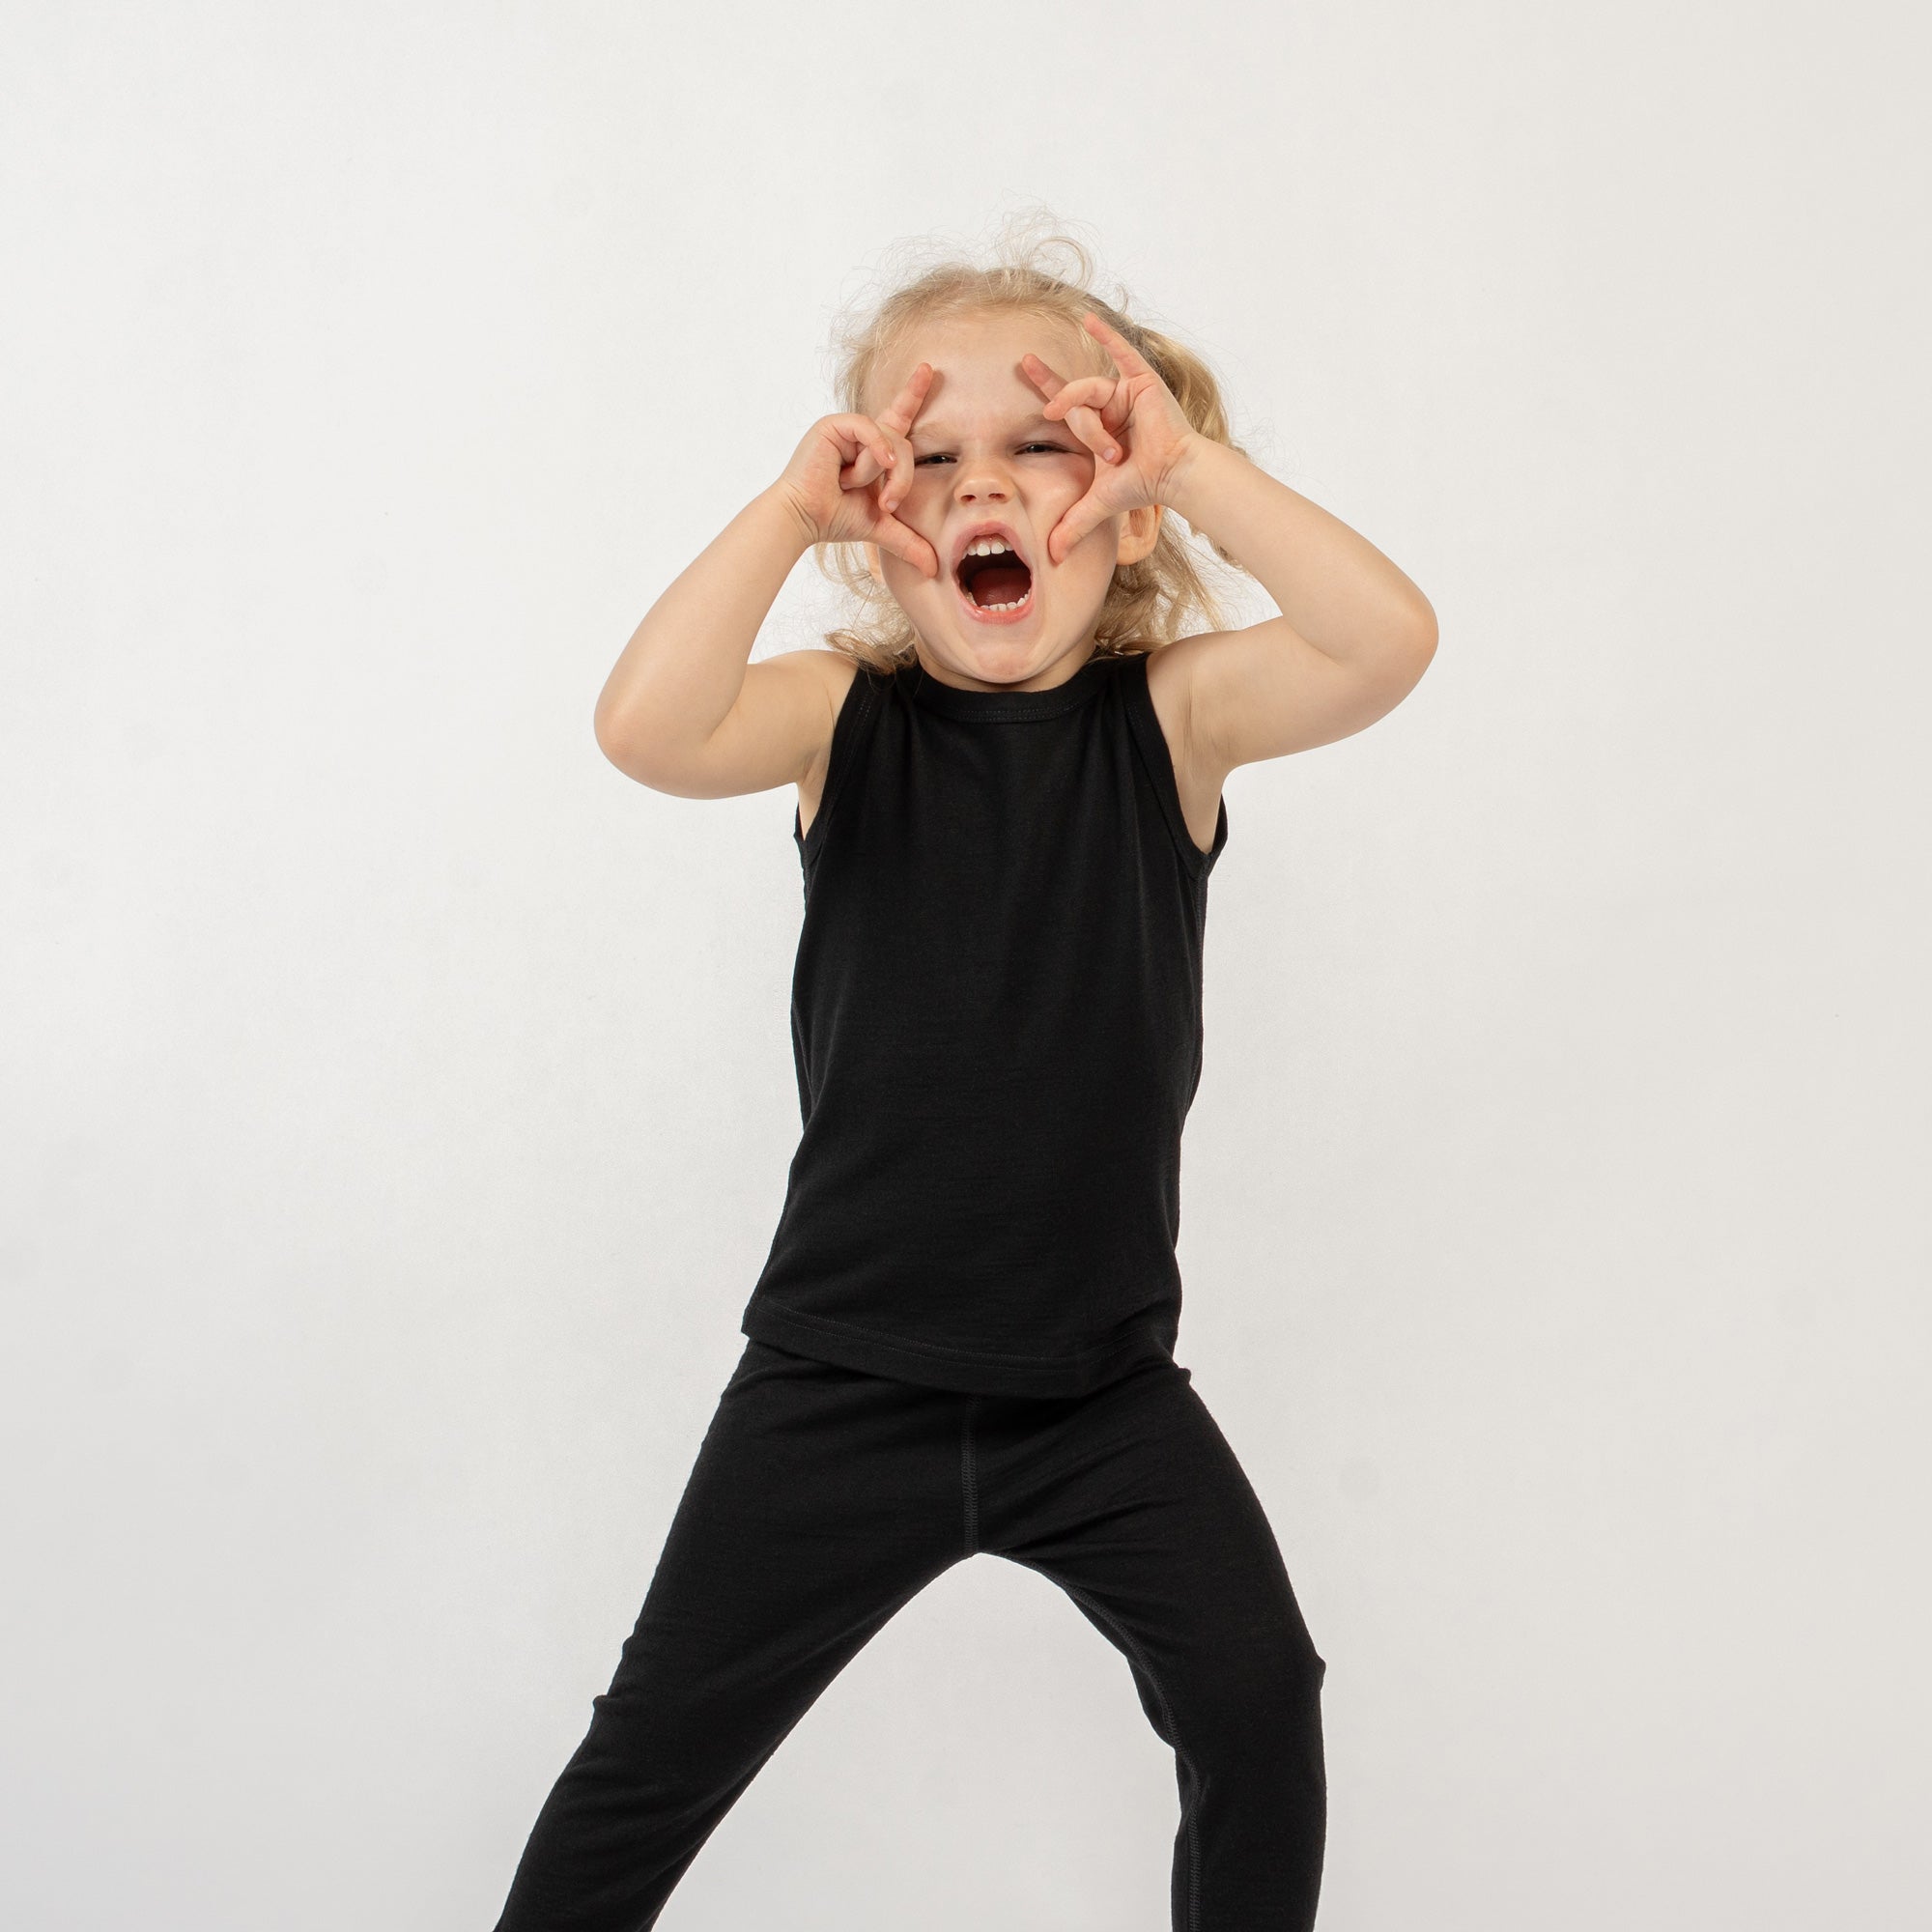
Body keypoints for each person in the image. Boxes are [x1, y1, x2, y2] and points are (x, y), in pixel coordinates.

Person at [490, 223, 1436, 1932]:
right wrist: (784, 513)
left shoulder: (1176, 722)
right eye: (928, 458)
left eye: (1044, 446)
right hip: (840, 1385)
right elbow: (643, 729)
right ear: (880, 521)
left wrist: (1199, 463)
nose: (982, 488)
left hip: (1102, 1399)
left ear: (1130, 508)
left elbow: (1386, 643)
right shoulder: (839, 723)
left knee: (1257, 1702)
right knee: (651, 1759)